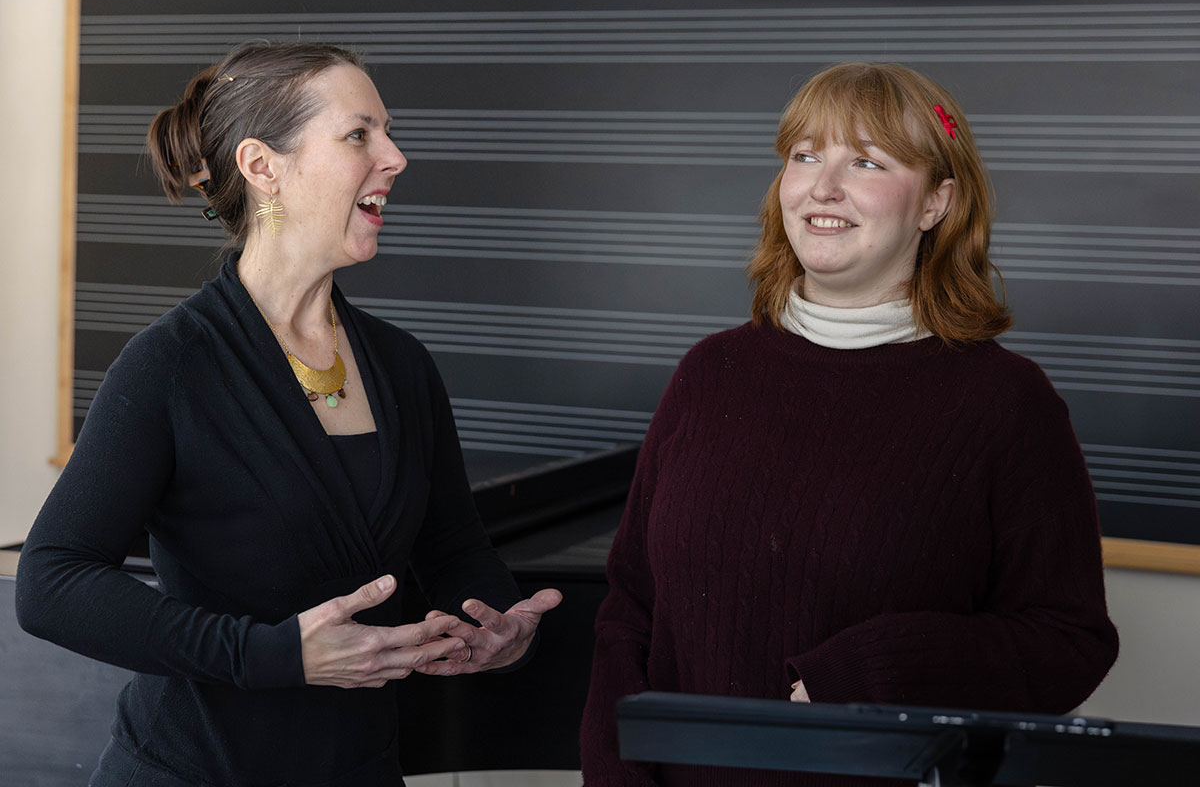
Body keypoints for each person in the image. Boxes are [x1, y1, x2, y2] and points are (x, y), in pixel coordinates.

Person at [15, 40, 560, 787]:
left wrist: (501, 625)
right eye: (359, 134)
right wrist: (274, 654)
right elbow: (52, 583)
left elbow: (454, 550)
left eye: (388, 132)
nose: (395, 157)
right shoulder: (171, 364)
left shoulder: (402, 367)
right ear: (262, 166)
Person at [579, 62, 1119, 786]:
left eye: (865, 161)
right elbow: (631, 611)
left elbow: (1067, 640)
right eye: (805, 156)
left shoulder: (1006, 402)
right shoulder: (711, 373)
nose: (822, 188)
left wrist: (869, 672)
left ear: (936, 202)